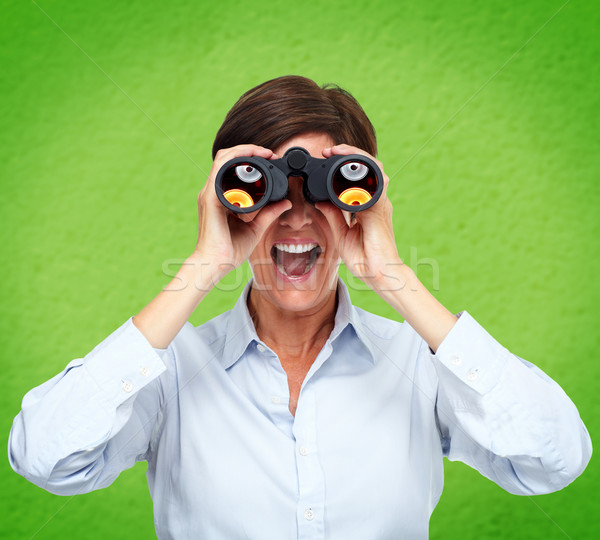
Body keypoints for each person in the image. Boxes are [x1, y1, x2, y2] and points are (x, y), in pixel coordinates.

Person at [8, 75, 592, 539]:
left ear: (360, 201)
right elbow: (46, 458)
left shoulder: (418, 365)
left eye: (324, 186)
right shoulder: (172, 371)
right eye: (263, 188)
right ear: (227, 199)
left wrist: (395, 278)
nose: (295, 215)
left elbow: (555, 459)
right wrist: (204, 265)